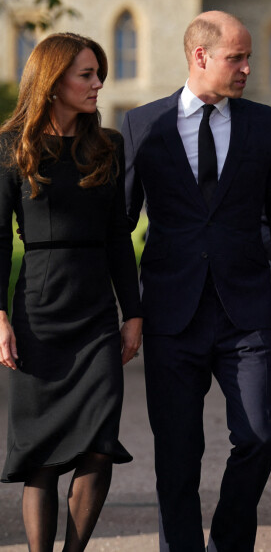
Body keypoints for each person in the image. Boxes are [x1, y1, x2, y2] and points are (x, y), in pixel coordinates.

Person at [122, 11, 271, 551]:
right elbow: (120, 225)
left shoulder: (264, 124)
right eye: (237, 57)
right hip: (169, 314)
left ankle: (227, 543)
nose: (248, 67)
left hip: (248, 313)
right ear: (200, 57)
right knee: (177, 455)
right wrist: (127, 307)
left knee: (260, 438)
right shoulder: (144, 125)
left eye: (249, 56)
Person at [0, 33, 142, 551]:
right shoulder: (10, 145)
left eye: (97, 73)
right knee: (41, 454)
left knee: (100, 446)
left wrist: (134, 312)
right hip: (38, 311)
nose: (97, 84)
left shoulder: (109, 146)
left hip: (96, 315)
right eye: (86, 75)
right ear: (53, 81)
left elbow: (117, 238)